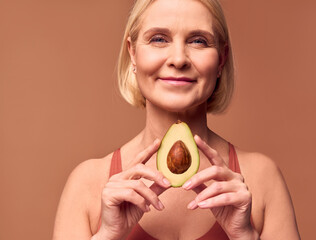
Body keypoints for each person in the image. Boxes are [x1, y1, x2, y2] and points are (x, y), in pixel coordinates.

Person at [53, 0, 300, 239]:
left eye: (198, 41)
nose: (179, 59)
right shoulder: (86, 184)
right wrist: (106, 236)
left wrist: (244, 236)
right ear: (133, 53)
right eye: (159, 39)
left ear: (221, 59)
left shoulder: (262, 179)